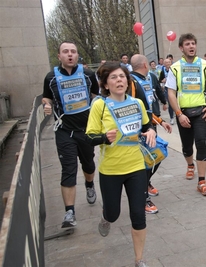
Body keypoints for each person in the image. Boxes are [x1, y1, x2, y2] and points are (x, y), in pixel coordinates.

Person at [86, 62, 156, 267]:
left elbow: (146, 124)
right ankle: (105, 217)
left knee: (138, 215)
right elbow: (89, 137)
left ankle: (139, 259)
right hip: (111, 170)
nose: (119, 80)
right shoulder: (100, 105)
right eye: (114, 77)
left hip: (136, 167)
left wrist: (150, 130)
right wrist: (104, 138)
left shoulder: (136, 103)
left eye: (122, 77)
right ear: (106, 84)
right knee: (114, 214)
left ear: (128, 81)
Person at [42, 40, 99, 228]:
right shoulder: (51, 77)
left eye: (73, 51)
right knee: (68, 169)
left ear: (77, 55)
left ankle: (89, 185)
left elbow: (95, 96)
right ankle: (69, 212)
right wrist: (47, 105)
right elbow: (46, 97)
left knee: (89, 165)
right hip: (64, 131)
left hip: (86, 130)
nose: (70, 54)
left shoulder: (88, 74)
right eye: (65, 52)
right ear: (59, 56)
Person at [165, 33, 206, 196]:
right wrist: (178, 114)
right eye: (187, 44)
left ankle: (202, 181)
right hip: (183, 113)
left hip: (202, 111)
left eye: (193, 43)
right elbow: (171, 92)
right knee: (187, 146)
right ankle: (190, 165)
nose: (191, 46)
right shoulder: (175, 67)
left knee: (201, 142)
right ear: (181, 48)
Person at [130, 54, 172, 214]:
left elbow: (146, 109)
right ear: (145, 64)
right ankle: (143, 197)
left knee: (157, 155)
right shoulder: (132, 83)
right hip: (138, 132)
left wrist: (160, 121)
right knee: (145, 163)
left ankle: (146, 184)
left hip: (150, 126)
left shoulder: (148, 78)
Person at [158, 58, 175, 124]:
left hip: (175, 88)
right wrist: (163, 81)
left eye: (169, 62)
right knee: (170, 103)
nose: (168, 64)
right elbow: (160, 80)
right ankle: (171, 117)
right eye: (166, 63)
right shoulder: (163, 71)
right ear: (164, 64)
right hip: (167, 88)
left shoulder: (174, 70)